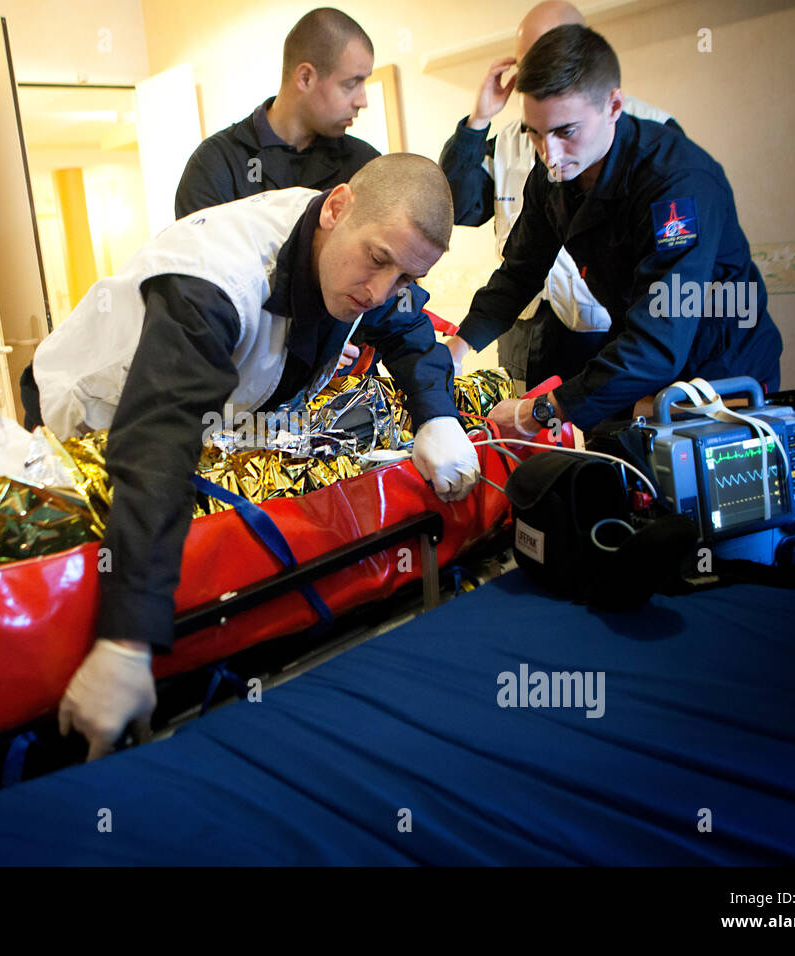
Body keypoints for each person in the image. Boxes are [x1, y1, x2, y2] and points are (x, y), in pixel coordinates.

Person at [26, 154, 479, 760]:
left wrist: (438, 417)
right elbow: (157, 447)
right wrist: (126, 639)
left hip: (208, 426)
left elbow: (405, 324)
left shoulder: (362, 255)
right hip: (95, 423)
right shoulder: (214, 281)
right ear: (337, 206)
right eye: (377, 261)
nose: (379, 292)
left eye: (403, 276)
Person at [446, 25, 781, 440]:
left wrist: (539, 413)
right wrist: (459, 347)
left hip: (720, 366)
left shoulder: (677, 183)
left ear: (614, 105)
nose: (550, 154)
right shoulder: (554, 174)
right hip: (643, 361)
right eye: (535, 132)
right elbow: (521, 271)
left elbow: (659, 340)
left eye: (566, 131)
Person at [440, 1, 678, 388]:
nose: (550, 153)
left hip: (607, 333)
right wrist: (477, 121)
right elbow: (461, 210)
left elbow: (670, 298)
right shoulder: (515, 142)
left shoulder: (658, 140)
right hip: (524, 329)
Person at [174, 8, 378, 220]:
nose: (362, 101)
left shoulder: (365, 167)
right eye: (351, 84)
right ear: (305, 78)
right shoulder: (215, 166)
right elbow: (202, 252)